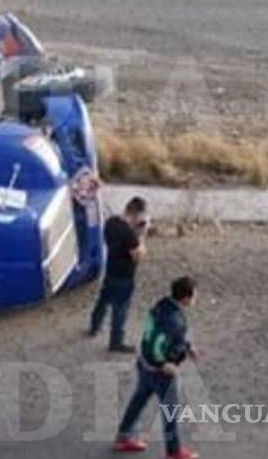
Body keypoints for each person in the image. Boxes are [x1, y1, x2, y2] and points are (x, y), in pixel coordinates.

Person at [114, 276, 200, 459]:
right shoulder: (175, 319)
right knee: (171, 411)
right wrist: (163, 364)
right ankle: (173, 450)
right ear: (186, 297)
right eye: (194, 295)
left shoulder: (161, 306)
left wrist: (186, 345)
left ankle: (124, 435)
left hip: (144, 364)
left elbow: (154, 334)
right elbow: (159, 343)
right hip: (161, 373)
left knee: (139, 399)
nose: (195, 299)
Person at [89, 196, 149, 352]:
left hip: (110, 270)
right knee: (120, 309)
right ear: (137, 214)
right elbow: (139, 256)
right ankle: (116, 342)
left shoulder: (111, 222)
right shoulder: (130, 234)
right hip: (125, 276)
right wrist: (141, 235)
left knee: (103, 300)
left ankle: (94, 326)